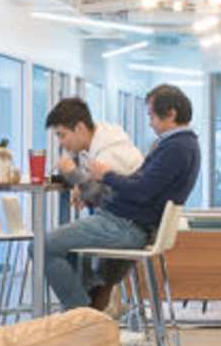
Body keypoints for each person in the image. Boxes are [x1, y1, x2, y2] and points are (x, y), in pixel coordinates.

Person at [43, 84, 198, 311]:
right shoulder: (178, 145)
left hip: (126, 225)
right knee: (67, 246)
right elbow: (138, 185)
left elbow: (141, 190)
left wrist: (104, 175)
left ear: (171, 114)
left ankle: (82, 317)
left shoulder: (176, 148)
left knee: (44, 246)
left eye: (152, 116)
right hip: (127, 222)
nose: (149, 122)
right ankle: (87, 308)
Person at [42, 95, 138, 203]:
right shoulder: (96, 142)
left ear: (80, 128)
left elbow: (105, 200)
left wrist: (74, 175)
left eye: (62, 135)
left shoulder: (109, 152)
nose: (61, 143)